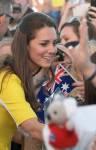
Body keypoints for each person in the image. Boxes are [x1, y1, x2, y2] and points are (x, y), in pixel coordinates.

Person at [0, 12, 58, 150]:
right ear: (25, 45)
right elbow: (33, 129)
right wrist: (75, 138)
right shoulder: (8, 79)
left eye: (55, 43)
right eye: (44, 44)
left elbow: (19, 134)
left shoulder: (24, 76)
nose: (53, 50)